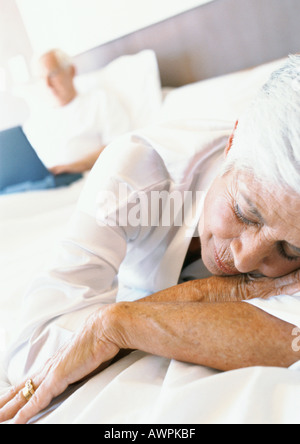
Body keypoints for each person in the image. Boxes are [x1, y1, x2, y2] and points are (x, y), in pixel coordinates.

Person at [1, 56, 300, 424]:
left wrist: (123, 323)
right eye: (244, 213)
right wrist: (214, 294)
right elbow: (30, 356)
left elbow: (290, 339)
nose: (244, 262)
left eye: (289, 249)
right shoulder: (137, 171)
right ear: (232, 141)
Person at [23, 49, 132, 175]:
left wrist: (74, 167)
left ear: (71, 71)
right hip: (49, 183)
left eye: (52, 74)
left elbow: (118, 144)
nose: (47, 84)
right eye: (41, 78)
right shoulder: (36, 121)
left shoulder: (99, 101)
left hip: (90, 175)